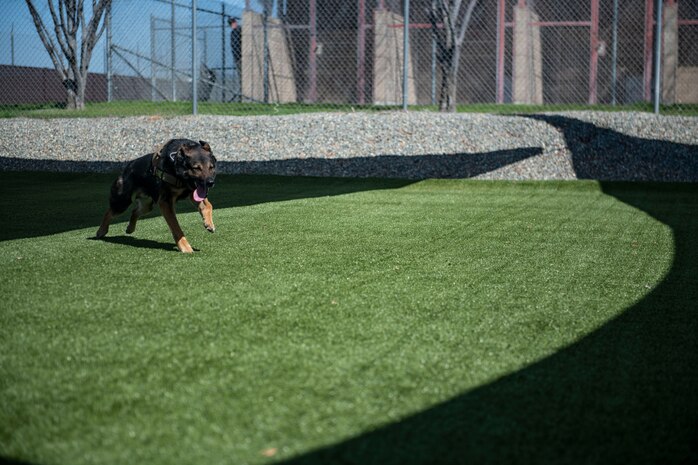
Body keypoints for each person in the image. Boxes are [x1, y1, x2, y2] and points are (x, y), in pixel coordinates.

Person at [228, 16, 242, 101]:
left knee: (243, 77)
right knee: (240, 77)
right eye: (230, 23)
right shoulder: (233, 32)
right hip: (237, 58)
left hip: (241, 57)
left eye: (233, 22)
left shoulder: (240, 30)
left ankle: (242, 97)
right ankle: (241, 97)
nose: (232, 24)